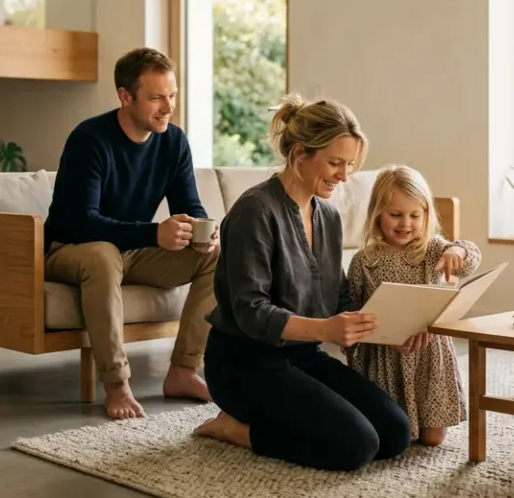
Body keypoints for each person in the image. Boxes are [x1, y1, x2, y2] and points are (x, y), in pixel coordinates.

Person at [194, 93, 412, 472]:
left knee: (396, 432)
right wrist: (326, 329)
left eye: (349, 165)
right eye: (335, 163)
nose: (344, 176)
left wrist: (391, 330)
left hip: (303, 357)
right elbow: (251, 312)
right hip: (243, 364)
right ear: (299, 154)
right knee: (356, 445)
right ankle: (235, 429)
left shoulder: (328, 215)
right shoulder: (254, 211)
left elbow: (339, 297)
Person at [44, 47, 218, 420]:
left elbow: (189, 204)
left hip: (131, 251)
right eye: (156, 98)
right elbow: (82, 223)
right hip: (71, 248)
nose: (168, 107)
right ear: (125, 96)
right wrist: (155, 234)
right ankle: (117, 384)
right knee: (102, 254)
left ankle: (184, 370)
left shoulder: (173, 141)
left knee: (217, 255)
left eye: (172, 95)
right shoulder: (89, 139)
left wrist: (203, 231)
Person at [344, 165, 481, 446]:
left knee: (433, 439)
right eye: (395, 215)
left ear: (426, 215)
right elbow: (353, 311)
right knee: (396, 433)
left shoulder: (432, 249)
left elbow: (470, 259)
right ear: (377, 213)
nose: (405, 223)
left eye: (415, 215)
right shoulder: (364, 261)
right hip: (385, 354)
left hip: (428, 351)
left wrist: (457, 249)